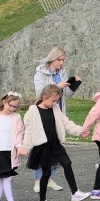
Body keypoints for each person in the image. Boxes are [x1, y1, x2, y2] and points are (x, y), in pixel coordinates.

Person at [23, 84, 91, 201]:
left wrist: (80, 131)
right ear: (45, 97)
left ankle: (75, 193)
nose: (55, 103)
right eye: (53, 100)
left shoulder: (55, 109)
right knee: (46, 173)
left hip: (55, 144)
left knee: (67, 163)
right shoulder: (33, 111)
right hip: (42, 146)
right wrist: (25, 147)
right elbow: (29, 130)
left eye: (56, 101)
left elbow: (66, 123)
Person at [31, 47, 79, 192]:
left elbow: (67, 94)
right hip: (44, 113)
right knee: (41, 146)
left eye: (63, 60)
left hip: (58, 111)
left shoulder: (61, 73)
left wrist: (74, 84)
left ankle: (50, 179)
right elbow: (40, 94)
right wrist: (57, 86)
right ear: (52, 59)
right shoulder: (40, 74)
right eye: (59, 60)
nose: (61, 63)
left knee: (55, 146)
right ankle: (38, 180)